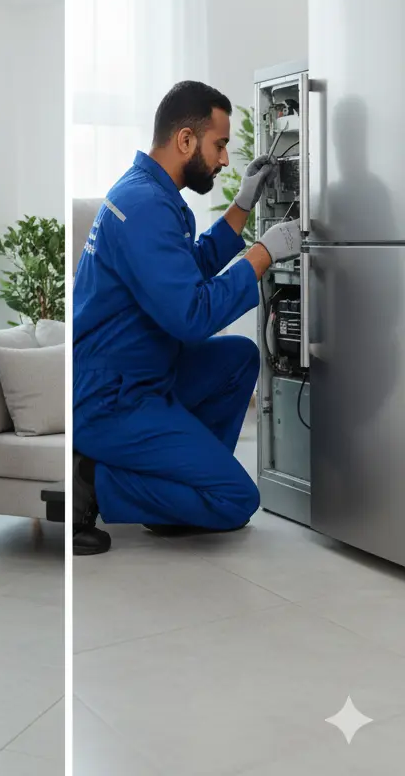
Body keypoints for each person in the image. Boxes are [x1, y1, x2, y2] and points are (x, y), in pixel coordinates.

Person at [72, 80, 301, 554]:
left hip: (143, 373)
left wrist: (242, 207)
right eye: (219, 145)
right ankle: (95, 479)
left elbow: (184, 272)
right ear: (185, 140)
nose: (222, 160)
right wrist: (262, 256)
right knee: (237, 500)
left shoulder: (147, 194)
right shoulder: (144, 207)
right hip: (113, 397)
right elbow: (191, 315)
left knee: (239, 357)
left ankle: (180, 494)